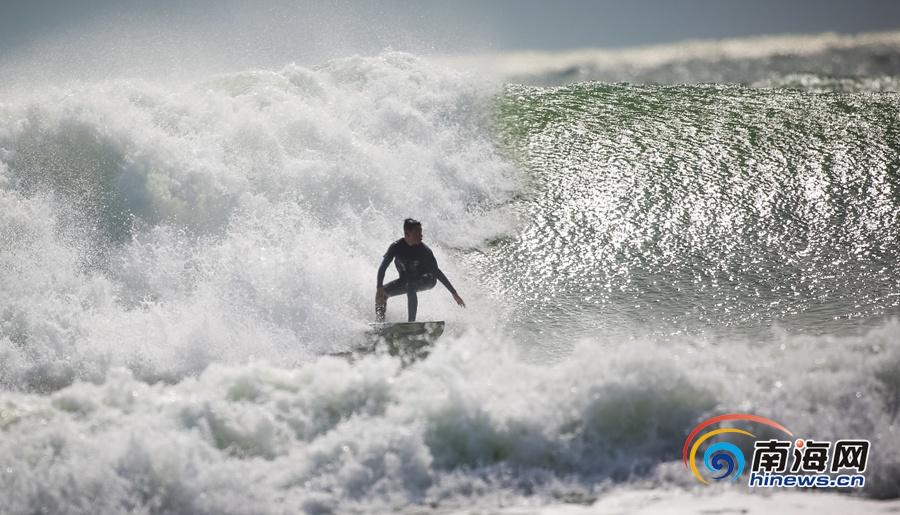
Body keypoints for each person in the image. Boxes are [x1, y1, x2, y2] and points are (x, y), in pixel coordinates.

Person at [375, 218, 465, 322]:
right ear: (407, 233)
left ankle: (411, 324)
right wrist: (379, 287)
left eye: (421, 232)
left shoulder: (424, 251)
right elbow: (383, 267)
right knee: (383, 293)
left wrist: (454, 293)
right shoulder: (396, 247)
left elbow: (437, 272)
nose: (421, 236)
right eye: (417, 233)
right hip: (407, 280)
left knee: (411, 286)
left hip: (428, 279)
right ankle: (380, 325)